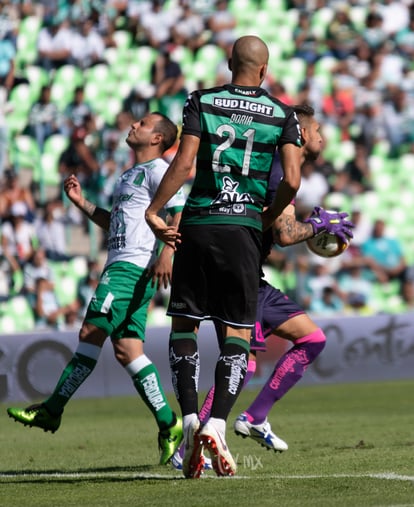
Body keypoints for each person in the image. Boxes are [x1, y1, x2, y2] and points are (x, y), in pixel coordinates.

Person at [145, 35, 304, 478]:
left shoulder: (203, 100)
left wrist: (154, 210)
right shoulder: (282, 113)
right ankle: (217, 424)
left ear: (229, 62)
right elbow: (291, 178)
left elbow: (184, 165)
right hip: (244, 230)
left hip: (197, 224)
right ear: (264, 71)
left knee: (185, 324)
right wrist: (266, 216)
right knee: (236, 332)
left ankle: (192, 418)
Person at [171, 105, 354, 468]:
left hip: (250, 274)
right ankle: (188, 447)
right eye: (317, 130)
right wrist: (318, 228)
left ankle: (253, 417)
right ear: (302, 135)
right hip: (240, 274)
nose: (322, 137)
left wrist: (311, 224)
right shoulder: (281, 171)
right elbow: (286, 234)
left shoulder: (277, 165)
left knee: (311, 339)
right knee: (245, 361)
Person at [7, 112, 186, 466]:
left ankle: (53, 409)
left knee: (91, 332)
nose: (134, 125)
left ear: (156, 139)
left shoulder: (160, 171)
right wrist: (82, 203)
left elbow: (178, 212)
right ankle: (169, 423)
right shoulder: (129, 175)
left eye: (144, 124)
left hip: (129, 268)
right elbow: (114, 221)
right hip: (125, 265)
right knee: (128, 351)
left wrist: (167, 253)